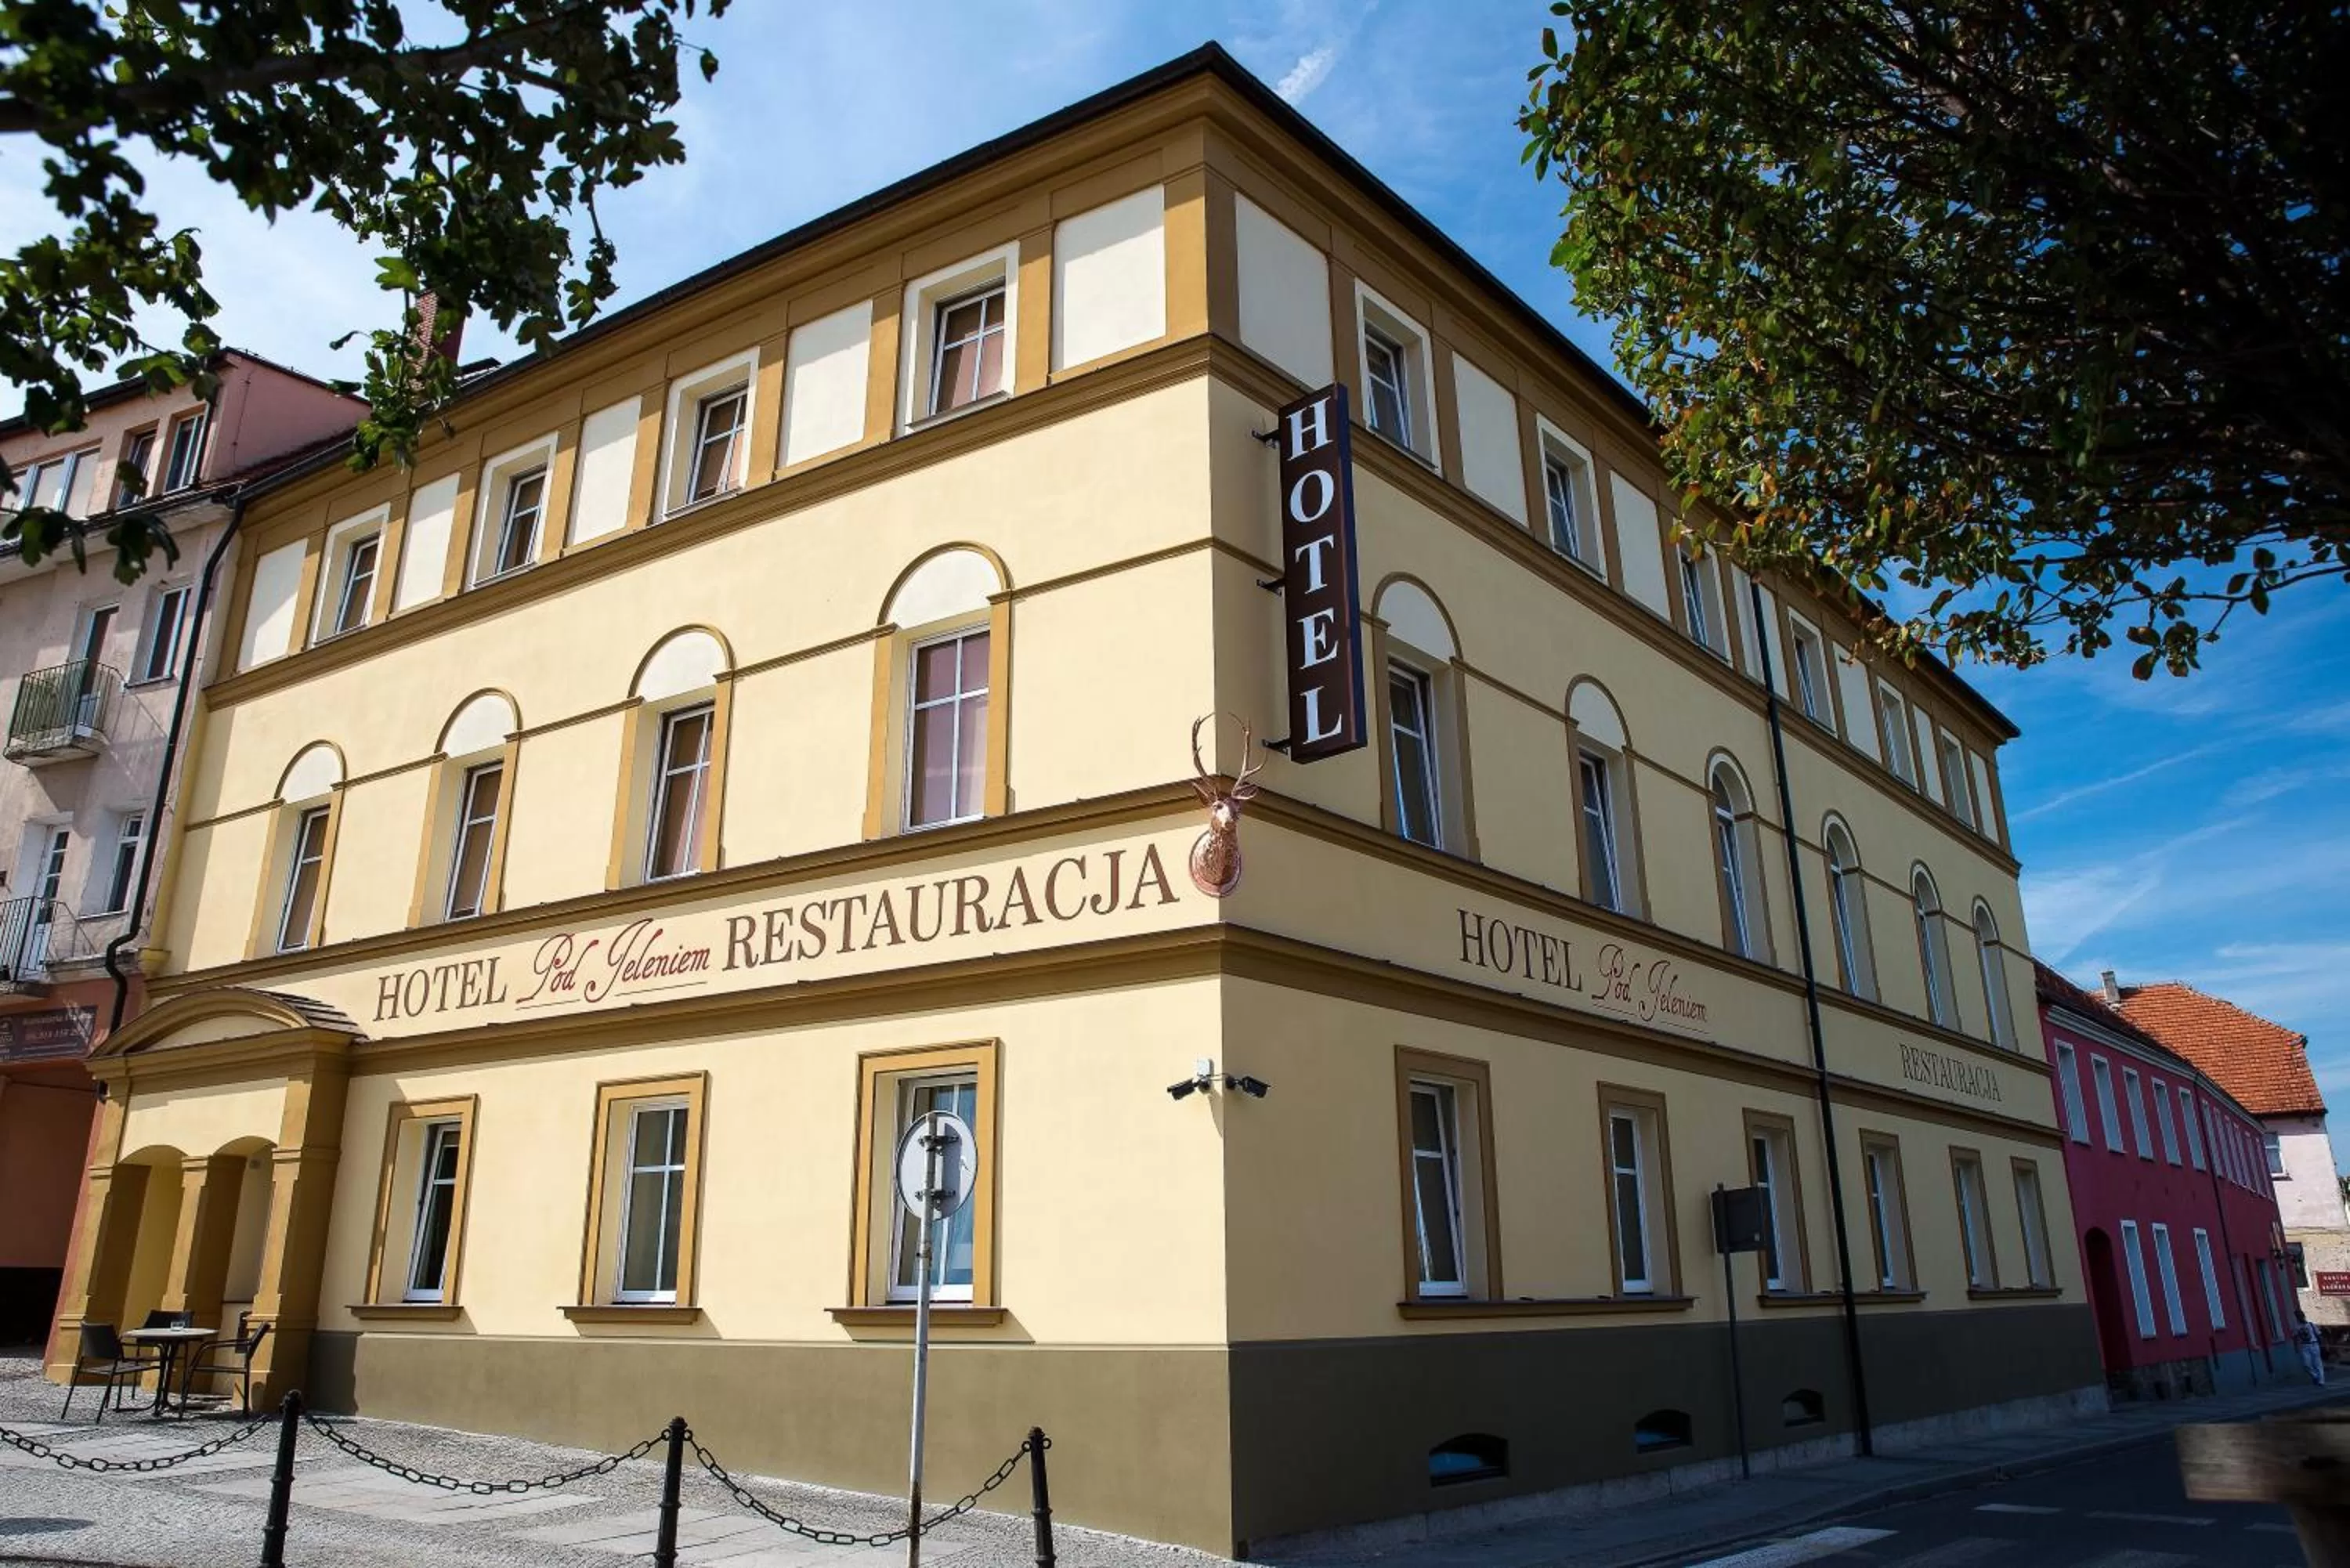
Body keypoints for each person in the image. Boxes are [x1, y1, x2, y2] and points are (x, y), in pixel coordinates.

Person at [2293, 1314, 2326, 1386]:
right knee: (2306, 1364)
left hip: (2314, 1344)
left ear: (2304, 1317)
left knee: (2318, 1363)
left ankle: (2321, 1380)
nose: (2301, 1318)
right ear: (2297, 1318)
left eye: (2301, 1317)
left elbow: (2319, 1334)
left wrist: (2322, 1344)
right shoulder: (2297, 1327)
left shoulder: (2311, 1325)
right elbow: (2295, 1337)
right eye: (2299, 1317)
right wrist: (2296, 1347)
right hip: (2305, 1346)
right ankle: (2315, 1375)